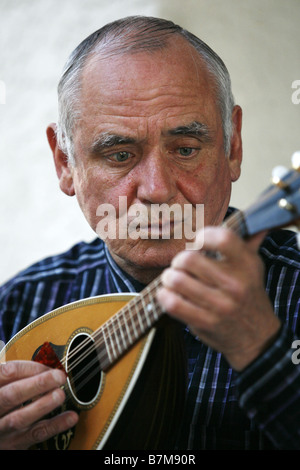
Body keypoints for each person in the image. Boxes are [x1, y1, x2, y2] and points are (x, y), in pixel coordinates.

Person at [0, 16, 299, 450]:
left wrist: (261, 348)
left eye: (185, 149)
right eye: (120, 154)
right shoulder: (21, 309)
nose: (156, 189)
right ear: (65, 163)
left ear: (232, 145)